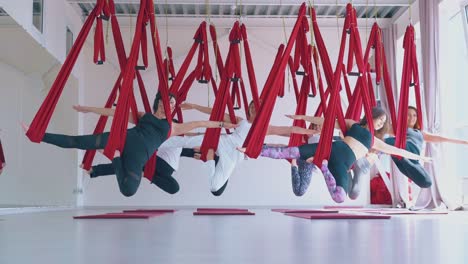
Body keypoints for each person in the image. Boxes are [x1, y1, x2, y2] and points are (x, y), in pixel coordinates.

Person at [22, 92, 237, 197]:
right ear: (158, 101)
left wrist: (223, 123)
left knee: (128, 190)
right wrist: (89, 109)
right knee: (79, 142)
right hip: (123, 138)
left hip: (136, 157)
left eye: (172, 103)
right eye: (166, 100)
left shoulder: (173, 127)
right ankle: (37, 134)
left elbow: (201, 123)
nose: (169, 104)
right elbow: (116, 113)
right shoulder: (144, 115)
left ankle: (115, 158)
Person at [238, 107, 431, 203]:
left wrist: (422, 158)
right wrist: (302, 118)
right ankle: (251, 149)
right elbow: (326, 120)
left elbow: (398, 150)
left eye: (383, 123)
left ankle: (322, 167)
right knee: (287, 152)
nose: (380, 124)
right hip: (331, 148)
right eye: (379, 119)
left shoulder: (375, 141)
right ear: (370, 116)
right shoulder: (351, 124)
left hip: (340, 164)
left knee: (340, 197)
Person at [162, 101, 319, 196]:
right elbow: (216, 113)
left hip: (234, 157)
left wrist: (311, 132)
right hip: (224, 143)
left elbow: (289, 130)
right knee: (187, 141)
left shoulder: (264, 128)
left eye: (255, 107)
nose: (252, 109)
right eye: (251, 106)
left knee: (214, 186)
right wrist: (195, 106)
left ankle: (210, 158)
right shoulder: (241, 121)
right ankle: (156, 144)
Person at [383, 106, 468, 188]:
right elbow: (381, 128)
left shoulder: (420, 133)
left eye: (414, 115)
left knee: (427, 182)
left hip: (414, 158)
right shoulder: (398, 129)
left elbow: (440, 138)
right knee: (388, 142)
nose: (411, 117)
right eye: (408, 115)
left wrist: (463, 142)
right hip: (403, 148)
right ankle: (396, 154)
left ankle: (403, 160)